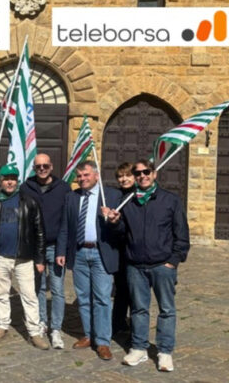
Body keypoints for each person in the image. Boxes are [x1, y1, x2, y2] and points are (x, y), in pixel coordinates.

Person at [114, 159, 190, 372]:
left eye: (146, 172)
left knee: (166, 309)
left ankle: (165, 352)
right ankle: (139, 348)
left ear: (154, 174)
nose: (142, 176)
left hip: (162, 265)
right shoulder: (128, 200)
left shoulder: (170, 200)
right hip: (136, 265)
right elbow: (122, 233)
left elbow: (181, 233)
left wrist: (173, 261)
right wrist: (114, 222)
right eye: (138, 173)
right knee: (139, 309)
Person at [56, 161, 123, 360]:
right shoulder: (72, 197)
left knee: (102, 298)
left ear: (96, 175)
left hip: (101, 253)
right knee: (83, 297)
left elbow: (121, 227)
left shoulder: (111, 195)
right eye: (79, 176)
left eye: (86, 175)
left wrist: (113, 220)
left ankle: (102, 342)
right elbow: (65, 227)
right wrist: (61, 251)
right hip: (79, 253)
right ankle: (88, 335)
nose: (82, 179)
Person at [0, 165, 48, 350]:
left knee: (29, 296)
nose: (9, 182)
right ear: (1, 181)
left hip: (24, 258)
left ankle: (34, 332)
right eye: (6, 179)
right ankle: (2, 326)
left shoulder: (29, 201)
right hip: (0, 257)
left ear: (17, 180)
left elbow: (40, 231)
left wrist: (40, 259)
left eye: (12, 178)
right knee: (1, 294)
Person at [19, 152, 71, 349]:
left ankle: (56, 328)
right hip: (34, 248)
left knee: (57, 290)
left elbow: (66, 221)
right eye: (38, 166)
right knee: (38, 288)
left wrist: (63, 249)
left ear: (51, 166)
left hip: (56, 247)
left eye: (45, 166)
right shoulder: (25, 187)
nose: (42, 169)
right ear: (34, 168)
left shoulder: (63, 188)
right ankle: (41, 321)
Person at [112, 162, 134, 336]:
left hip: (135, 250)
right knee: (120, 289)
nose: (124, 179)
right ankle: (118, 323)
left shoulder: (139, 195)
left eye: (127, 175)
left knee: (135, 291)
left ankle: (135, 328)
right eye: (120, 176)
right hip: (119, 250)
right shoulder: (117, 196)